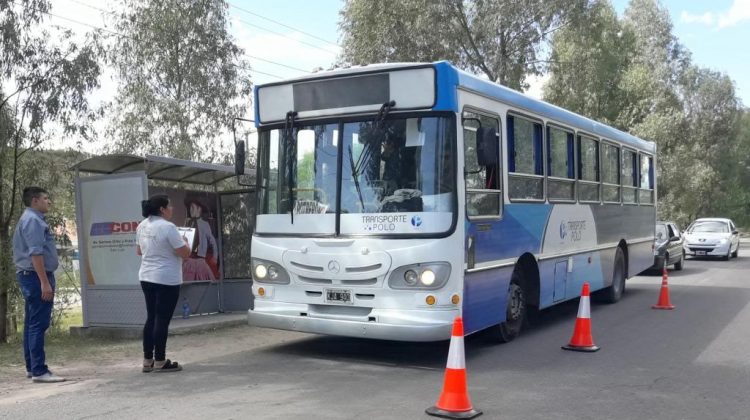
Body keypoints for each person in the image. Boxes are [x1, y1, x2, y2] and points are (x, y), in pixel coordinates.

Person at [12, 187, 65, 383]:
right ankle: (39, 371)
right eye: (46, 198)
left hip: (30, 276)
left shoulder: (29, 218)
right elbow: (36, 253)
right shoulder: (33, 221)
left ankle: (31, 366)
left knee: (31, 323)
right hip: (36, 277)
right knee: (38, 324)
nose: (48, 202)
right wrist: (44, 282)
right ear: (35, 201)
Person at [136, 194, 191, 373]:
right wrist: (186, 242)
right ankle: (160, 360)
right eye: (170, 206)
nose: (172, 209)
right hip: (166, 279)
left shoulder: (141, 225)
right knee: (162, 319)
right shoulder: (169, 227)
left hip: (146, 277)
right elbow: (184, 253)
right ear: (162, 209)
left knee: (151, 317)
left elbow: (139, 251)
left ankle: (147, 359)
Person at [182, 198, 219, 281]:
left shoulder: (204, 224)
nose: (191, 210)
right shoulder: (187, 223)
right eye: (190, 208)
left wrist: (215, 256)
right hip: (189, 259)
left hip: (200, 259)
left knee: (202, 280)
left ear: (199, 209)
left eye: (193, 207)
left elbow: (212, 241)